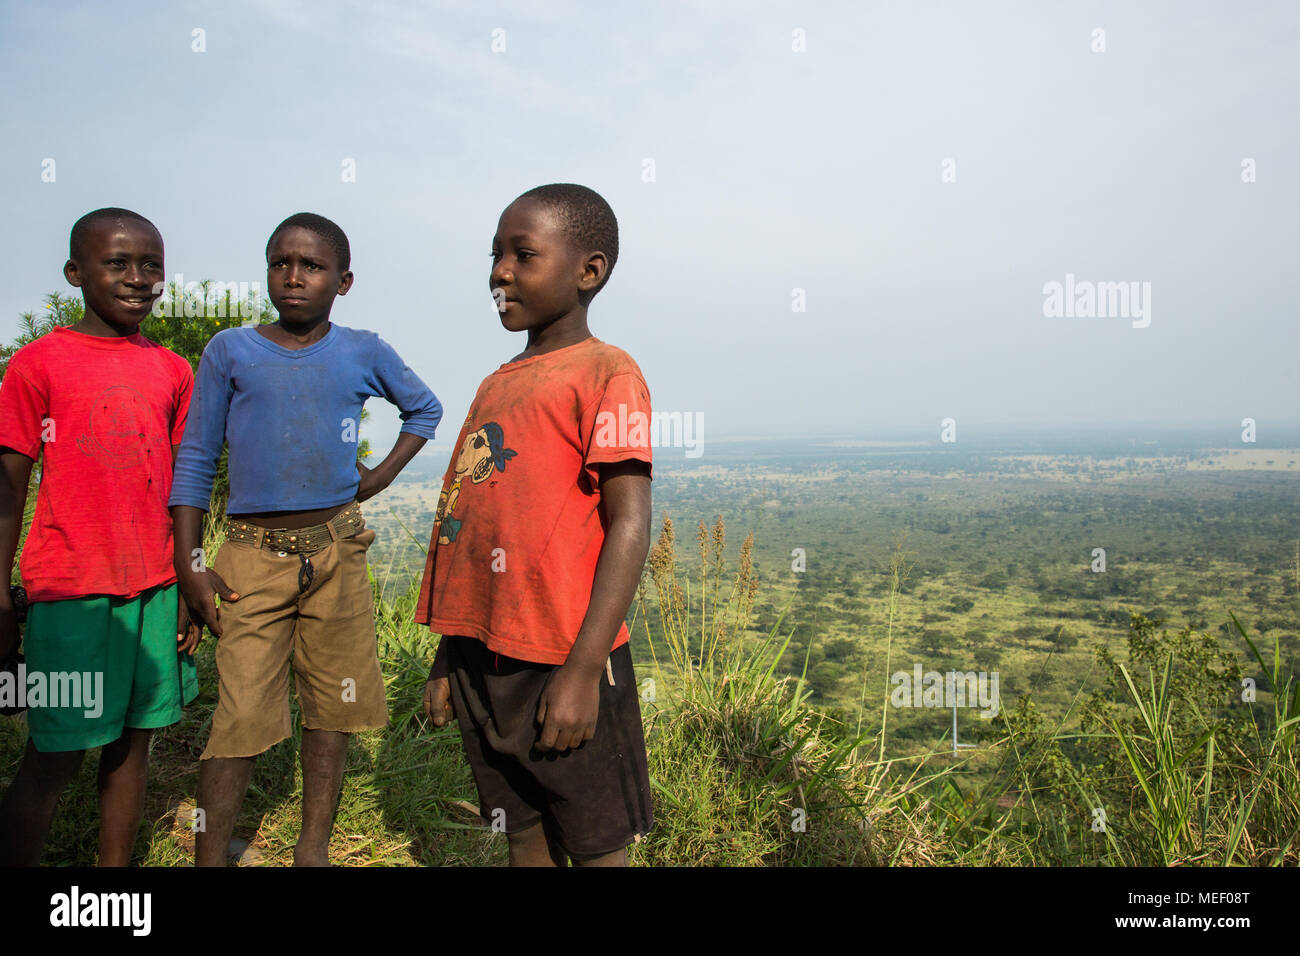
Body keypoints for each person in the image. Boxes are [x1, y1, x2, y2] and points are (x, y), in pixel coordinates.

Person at [169, 212, 441, 866]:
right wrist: (190, 564)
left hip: (337, 550)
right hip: (248, 556)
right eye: (280, 263)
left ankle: (312, 847)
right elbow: (196, 455)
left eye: (312, 266)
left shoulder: (361, 350)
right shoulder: (230, 351)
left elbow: (424, 409)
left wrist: (373, 481)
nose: (294, 277)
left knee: (333, 705)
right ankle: (211, 857)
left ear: (342, 281)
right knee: (237, 717)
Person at [417, 184, 653, 866]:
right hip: (480, 657)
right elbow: (471, 523)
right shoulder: (497, 382)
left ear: (589, 271)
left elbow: (630, 525)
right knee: (519, 828)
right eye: (496, 255)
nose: (500, 271)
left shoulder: (609, 373)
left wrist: (583, 670)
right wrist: (446, 654)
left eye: (523, 254)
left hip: (563, 655)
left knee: (594, 841)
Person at [0, 208, 199, 865]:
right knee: (55, 753)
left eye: (151, 266)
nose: (138, 278)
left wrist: (188, 579)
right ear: (74, 272)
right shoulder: (37, 365)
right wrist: (1, 596)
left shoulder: (173, 371)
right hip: (70, 595)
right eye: (118, 264)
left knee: (133, 743)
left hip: (154, 591)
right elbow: (9, 486)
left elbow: (182, 492)